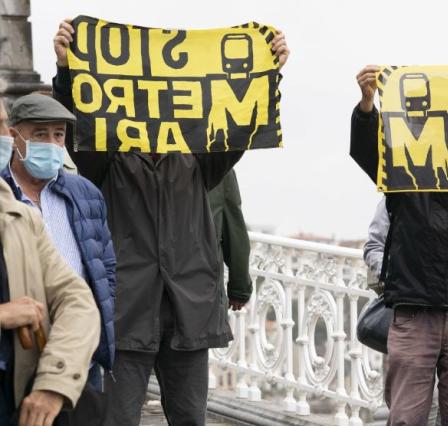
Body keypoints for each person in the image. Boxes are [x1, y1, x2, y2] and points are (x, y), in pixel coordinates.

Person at [52, 19, 289, 425]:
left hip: (187, 311)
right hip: (127, 311)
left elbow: (241, 126)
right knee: (118, 419)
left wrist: (269, 72)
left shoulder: (199, 160)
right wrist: (67, 70)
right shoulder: (108, 158)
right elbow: (79, 123)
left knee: (189, 419)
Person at [351, 66, 448, 425]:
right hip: (419, 306)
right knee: (406, 418)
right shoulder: (401, 160)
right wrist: (367, 104)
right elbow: (365, 150)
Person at [2, 93, 116, 392]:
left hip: (79, 355)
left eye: (58, 135)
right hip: (16, 353)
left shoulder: (85, 194)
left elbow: (105, 266)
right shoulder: (4, 196)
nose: (52, 144)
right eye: (40, 134)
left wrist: (93, 325)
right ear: (15, 137)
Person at [208, 169, 253, 311]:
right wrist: (239, 290)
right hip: (203, 284)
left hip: (146, 287)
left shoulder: (139, 165)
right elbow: (234, 234)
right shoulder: (218, 168)